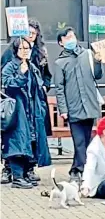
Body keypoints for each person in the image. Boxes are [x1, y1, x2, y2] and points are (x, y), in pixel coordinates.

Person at [1, 19, 52, 184]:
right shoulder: (11, 65)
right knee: (17, 141)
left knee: (31, 140)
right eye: (22, 48)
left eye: (27, 48)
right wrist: (21, 75)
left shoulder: (33, 66)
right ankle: (16, 175)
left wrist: (44, 90)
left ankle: (26, 172)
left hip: (33, 111)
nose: (25, 51)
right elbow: (8, 84)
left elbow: (41, 83)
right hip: (18, 110)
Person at [54, 27, 103, 182]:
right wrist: (63, 109)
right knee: (79, 141)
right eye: (66, 38)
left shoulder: (87, 54)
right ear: (61, 43)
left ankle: (77, 169)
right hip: (73, 107)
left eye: (72, 36)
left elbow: (98, 75)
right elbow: (59, 88)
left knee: (86, 140)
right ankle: (80, 170)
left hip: (89, 104)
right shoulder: (60, 63)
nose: (70, 39)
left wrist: (98, 62)